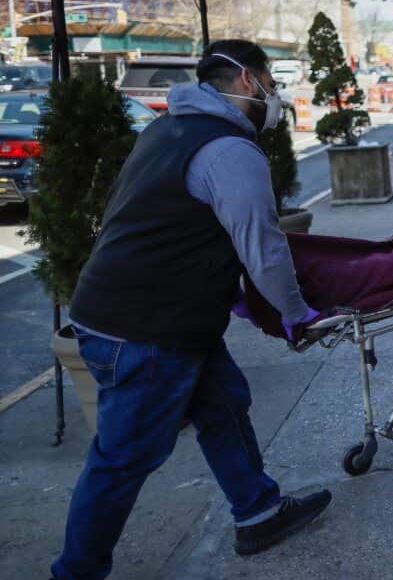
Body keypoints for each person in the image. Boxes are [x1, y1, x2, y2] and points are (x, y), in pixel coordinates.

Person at [53, 40, 331, 580]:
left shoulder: (165, 130)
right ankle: (75, 573)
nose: (274, 94)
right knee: (123, 458)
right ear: (248, 82)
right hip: (143, 328)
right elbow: (262, 244)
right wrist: (296, 311)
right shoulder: (230, 150)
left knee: (224, 404)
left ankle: (260, 512)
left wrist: (219, 291)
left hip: (152, 315)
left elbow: (155, 219)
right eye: (270, 82)